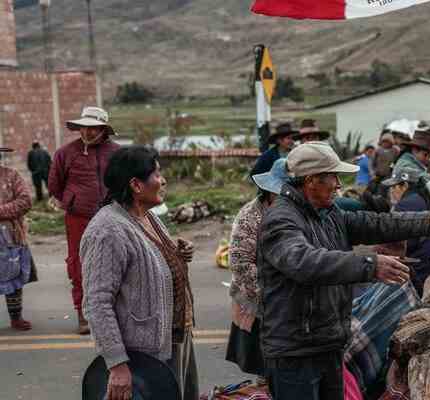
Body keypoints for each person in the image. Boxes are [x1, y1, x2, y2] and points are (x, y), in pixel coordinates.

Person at [257, 142, 430, 400]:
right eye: (333, 177)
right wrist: (371, 265)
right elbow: (305, 262)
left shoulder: (328, 213)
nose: (338, 185)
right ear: (310, 181)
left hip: (328, 343)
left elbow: (374, 223)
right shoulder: (281, 220)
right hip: (295, 350)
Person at [81, 146, 198, 400]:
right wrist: (117, 364)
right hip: (142, 356)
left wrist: (178, 255)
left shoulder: (148, 217)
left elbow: (151, 265)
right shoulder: (107, 231)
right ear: (136, 185)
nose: (163, 180)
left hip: (173, 339)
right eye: (157, 174)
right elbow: (97, 303)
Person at [48, 106, 120, 334]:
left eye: (93, 128)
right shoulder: (65, 153)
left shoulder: (117, 153)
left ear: (103, 129)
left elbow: (127, 181)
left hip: (113, 216)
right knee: (79, 264)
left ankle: (114, 313)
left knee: (116, 262)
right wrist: (72, 201)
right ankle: (83, 314)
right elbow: (55, 185)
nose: (87, 133)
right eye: (84, 127)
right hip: (78, 217)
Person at [226, 158, 287, 377]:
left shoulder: (295, 213)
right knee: (266, 371)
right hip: (259, 302)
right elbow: (241, 265)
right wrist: (275, 298)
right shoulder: (250, 216)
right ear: (270, 191)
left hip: (287, 304)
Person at [382, 165, 430, 295]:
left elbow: (402, 245)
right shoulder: (423, 198)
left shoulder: (406, 204)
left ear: (404, 185)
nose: (391, 192)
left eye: (393, 187)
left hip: (422, 268)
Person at [0, 147, 37, 331]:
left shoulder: (11, 176)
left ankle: (16, 318)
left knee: (13, 277)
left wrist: (1, 211)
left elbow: (25, 201)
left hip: (11, 236)